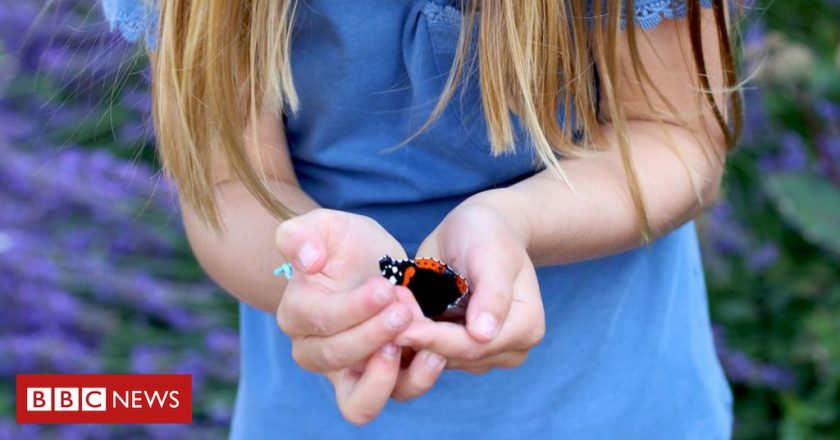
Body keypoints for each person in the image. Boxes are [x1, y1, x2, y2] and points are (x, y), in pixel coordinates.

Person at [103, 0, 742, 437]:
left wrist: (512, 221)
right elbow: (227, 188)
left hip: (621, 412)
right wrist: (305, 266)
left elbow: (676, 137)